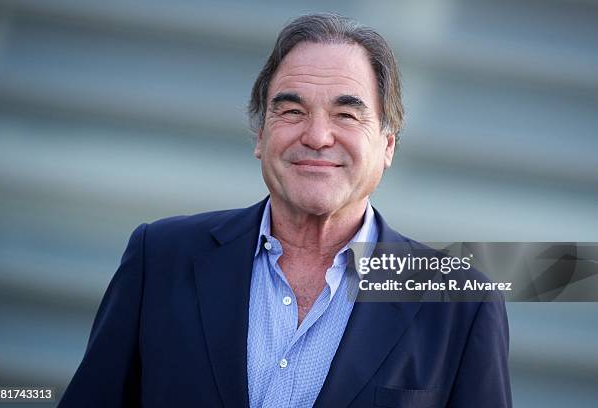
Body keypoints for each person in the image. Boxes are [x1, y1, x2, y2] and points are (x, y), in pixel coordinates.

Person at [59, 13, 511, 408]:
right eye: (292, 110)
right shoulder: (159, 258)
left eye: (346, 115)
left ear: (387, 145)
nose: (316, 136)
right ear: (260, 136)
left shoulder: (459, 303)